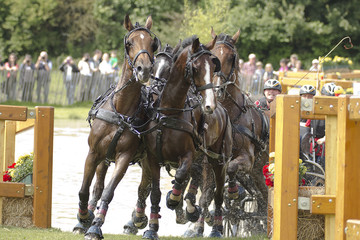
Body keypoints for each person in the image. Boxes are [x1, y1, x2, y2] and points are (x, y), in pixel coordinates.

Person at [301, 84, 325, 169]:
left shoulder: (318, 112)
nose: (307, 99)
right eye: (304, 96)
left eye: (310, 96)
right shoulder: (295, 109)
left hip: (314, 146)